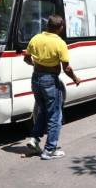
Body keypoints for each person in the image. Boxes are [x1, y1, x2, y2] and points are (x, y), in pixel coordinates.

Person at [24, 14, 80, 160]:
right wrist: (75, 78)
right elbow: (66, 68)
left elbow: (26, 58)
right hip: (50, 81)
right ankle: (49, 150)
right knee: (55, 115)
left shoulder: (35, 38)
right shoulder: (60, 43)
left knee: (42, 110)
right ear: (60, 28)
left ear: (47, 25)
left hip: (35, 79)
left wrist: (36, 64)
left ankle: (35, 140)